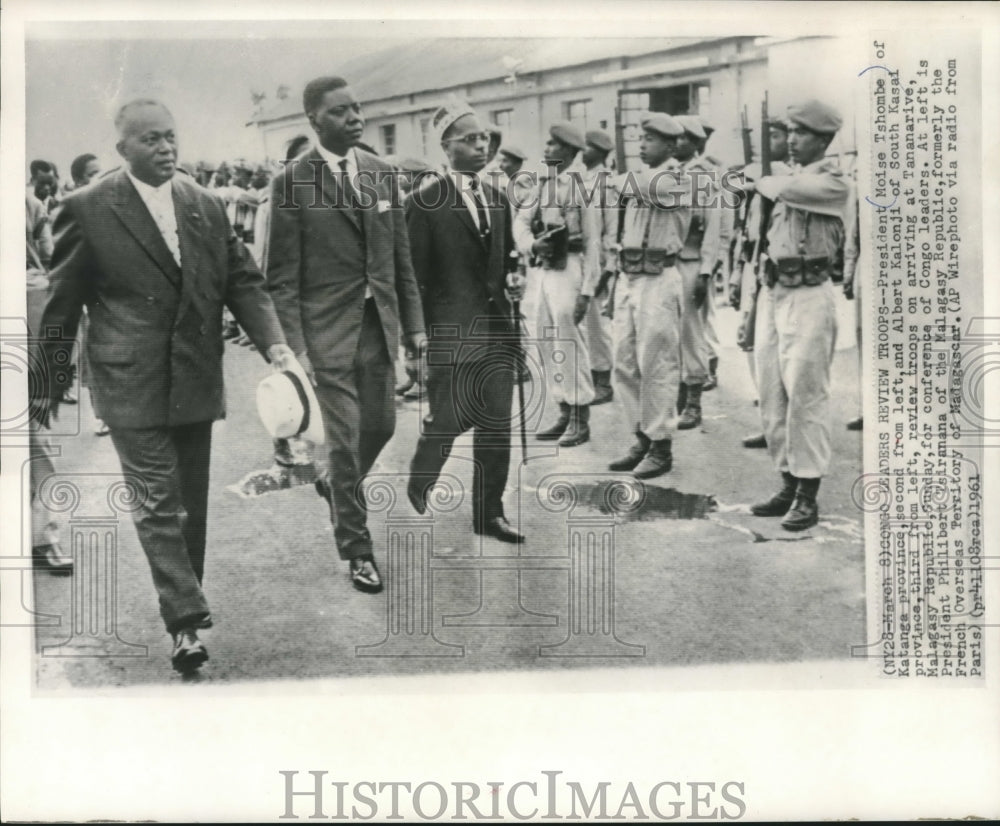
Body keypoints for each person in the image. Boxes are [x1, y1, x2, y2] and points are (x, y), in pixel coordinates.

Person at [34, 98, 297, 673]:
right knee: (157, 501)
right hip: (130, 380)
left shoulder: (202, 204)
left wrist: (276, 344)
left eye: (171, 137)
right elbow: (63, 302)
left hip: (195, 375)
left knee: (189, 508)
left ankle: (183, 607)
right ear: (122, 148)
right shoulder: (87, 207)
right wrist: (45, 384)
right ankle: (185, 622)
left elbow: (243, 281)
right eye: (150, 139)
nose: (165, 148)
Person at [267, 75, 426, 594]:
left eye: (358, 108)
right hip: (325, 335)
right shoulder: (291, 182)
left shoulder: (382, 174)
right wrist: (296, 352)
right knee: (342, 439)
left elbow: (399, 261)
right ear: (314, 120)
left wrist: (415, 330)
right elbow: (282, 277)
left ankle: (335, 484)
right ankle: (357, 549)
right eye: (341, 112)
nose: (356, 118)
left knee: (379, 426)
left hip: (377, 329)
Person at [405, 100, 525, 543]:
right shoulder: (424, 202)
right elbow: (413, 279)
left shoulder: (497, 199)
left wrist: (515, 279)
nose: (482, 147)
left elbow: (508, 258)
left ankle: (488, 513)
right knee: (449, 419)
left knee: (496, 424)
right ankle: (423, 472)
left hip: (496, 331)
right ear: (445, 146)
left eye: (485, 139)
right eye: (470, 139)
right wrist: (414, 344)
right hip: (451, 334)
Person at [748, 99, 849, 531]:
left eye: (801, 133)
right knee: (772, 393)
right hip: (775, 291)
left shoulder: (834, 182)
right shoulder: (784, 178)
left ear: (823, 140)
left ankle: (809, 494)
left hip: (810, 294)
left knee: (806, 394)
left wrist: (762, 178)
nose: (791, 140)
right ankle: (788, 482)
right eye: (788, 132)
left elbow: (784, 190)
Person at [606, 113, 692, 479]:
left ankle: (661, 445)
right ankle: (640, 435)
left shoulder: (682, 178)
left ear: (671, 146)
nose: (642, 145)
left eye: (651, 140)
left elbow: (654, 190)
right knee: (623, 362)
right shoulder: (636, 179)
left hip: (660, 277)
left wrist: (617, 180)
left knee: (656, 363)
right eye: (641, 138)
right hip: (630, 276)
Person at [513, 121, 602, 447]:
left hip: (572, 267)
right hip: (545, 269)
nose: (546, 149)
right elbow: (521, 222)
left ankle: (581, 417)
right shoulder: (543, 183)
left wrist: (589, 290)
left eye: (553, 145)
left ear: (568, 150)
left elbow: (594, 241)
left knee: (569, 341)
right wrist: (531, 245)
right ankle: (563, 409)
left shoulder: (582, 186)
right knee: (546, 339)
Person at [729, 118, 792, 449]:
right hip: (754, 265)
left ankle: (783, 426)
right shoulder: (752, 172)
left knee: (777, 354)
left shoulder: (786, 175)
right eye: (763, 136)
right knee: (753, 348)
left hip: (776, 270)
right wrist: (738, 271)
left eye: (776, 135)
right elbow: (744, 228)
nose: (767, 142)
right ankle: (771, 424)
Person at [672, 116, 722, 431]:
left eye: (680, 138)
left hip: (690, 262)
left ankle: (693, 401)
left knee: (691, 335)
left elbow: (714, 229)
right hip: (663, 263)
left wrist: (706, 271)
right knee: (667, 334)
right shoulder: (664, 174)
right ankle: (675, 391)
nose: (675, 143)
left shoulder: (704, 177)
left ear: (693, 142)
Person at [68, 153, 110, 435]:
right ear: (80, 180)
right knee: (94, 358)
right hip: (87, 298)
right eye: (92, 173)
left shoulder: (110, 203)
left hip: (112, 295)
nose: (99, 177)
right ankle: (102, 414)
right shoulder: (73, 211)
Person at [580, 128, 617, 406]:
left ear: (600, 152)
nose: (583, 150)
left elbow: (611, 231)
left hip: (600, 261)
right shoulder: (583, 179)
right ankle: (592, 376)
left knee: (598, 324)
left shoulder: (607, 183)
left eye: (588, 146)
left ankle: (603, 381)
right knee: (586, 324)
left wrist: (608, 268)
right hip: (581, 259)